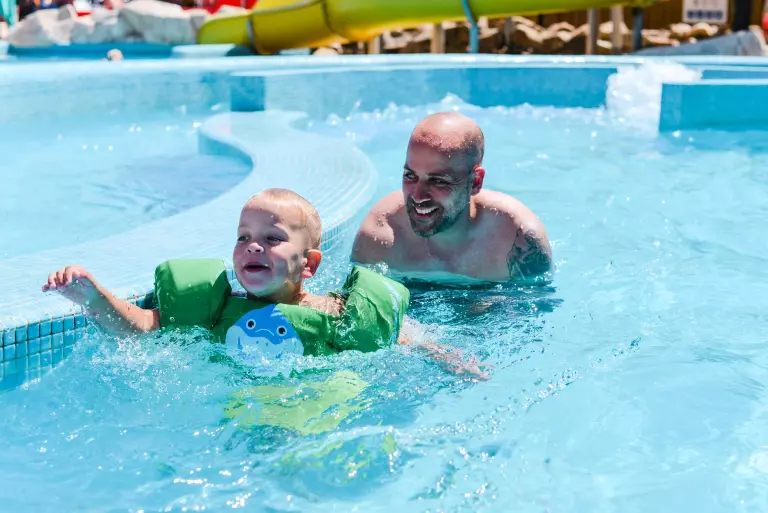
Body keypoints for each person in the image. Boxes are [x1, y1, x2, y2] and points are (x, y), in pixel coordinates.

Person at [43, 188, 489, 378]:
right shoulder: (215, 308)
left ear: (308, 264)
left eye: (272, 239)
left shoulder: (334, 312)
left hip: (323, 394)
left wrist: (442, 355)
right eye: (243, 238)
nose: (253, 246)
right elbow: (141, 327)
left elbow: (402, 336)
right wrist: (94, 298)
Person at [352, 111, 553, 285]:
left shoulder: (517, 242)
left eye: (438, 181)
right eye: (410, 176)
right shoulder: (380, 236)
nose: (418, 196)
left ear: (475, 182)